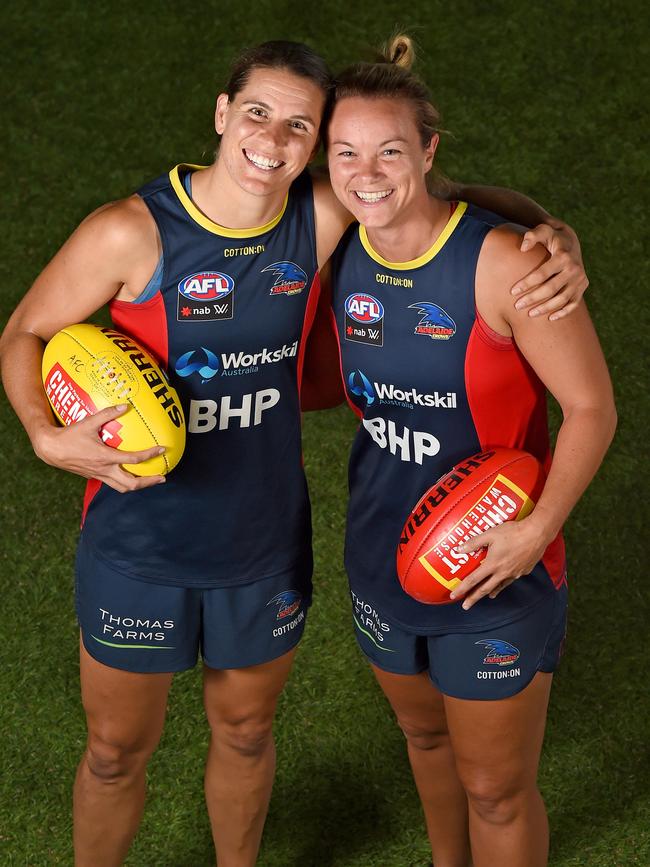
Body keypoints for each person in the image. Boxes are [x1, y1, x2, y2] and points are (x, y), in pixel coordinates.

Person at [0, 39, 589, 867]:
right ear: (220, 113)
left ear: (313, 147)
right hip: (137, 546)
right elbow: (24, 330)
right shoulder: (128, 232)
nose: (272, 141)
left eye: (298, 128)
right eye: (256, 114)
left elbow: (441, 195)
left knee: (244, 733)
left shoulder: (318, 218)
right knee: (111, 752)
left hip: (262, 547)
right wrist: (40, 428)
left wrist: (547, 229)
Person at [323, 37, 616, 867]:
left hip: (499, 562)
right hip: (383, 552)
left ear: (429, 150)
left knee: (495, 786)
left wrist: (537, 530)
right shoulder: (336, 246)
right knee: (425, 742)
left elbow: (593, 408)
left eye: (390, 149)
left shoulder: (506, 262)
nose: (367, 171)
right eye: (346, 152)